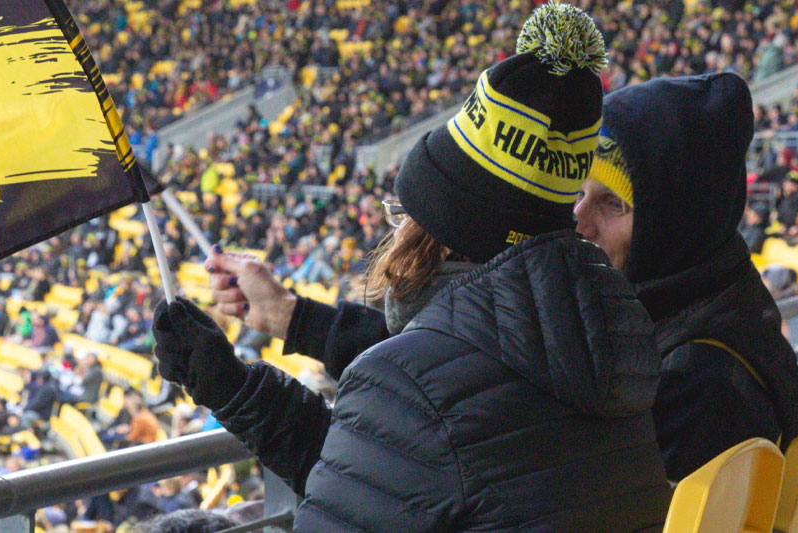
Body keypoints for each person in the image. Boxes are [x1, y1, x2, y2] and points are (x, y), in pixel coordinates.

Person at [153, 4, 670, 530]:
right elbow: (387, 488)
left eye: (405, 213)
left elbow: (388, 483)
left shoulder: (414, 384)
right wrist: (236, 387)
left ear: (443, 240)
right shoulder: (611, 343)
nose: (396, 230)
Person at [576, 72, 798, 479]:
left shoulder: (695, 382)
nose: (578, 221)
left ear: (674, 224)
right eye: (579, 193)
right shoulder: (725, 297)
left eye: (612, 204)